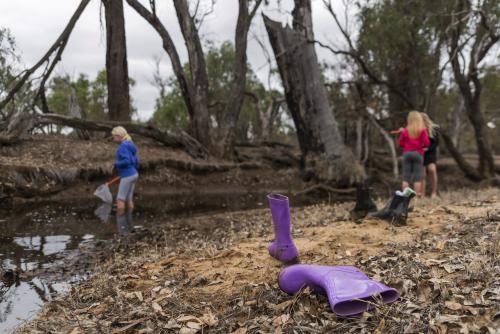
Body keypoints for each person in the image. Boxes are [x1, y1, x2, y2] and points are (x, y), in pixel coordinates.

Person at [398, 111, 430, 197]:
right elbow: (427, 143)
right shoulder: (422, 130)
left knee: (406, 177)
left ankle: (405, 196)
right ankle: (416, 197)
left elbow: (400, 143)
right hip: (418, 154)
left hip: (407, 154)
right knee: (417, 177)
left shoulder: (405, 131)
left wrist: (407, 144)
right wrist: (422, 146)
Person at [111, 126, 139, 214]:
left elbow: (126, 161)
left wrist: (115, 164)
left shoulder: (122, 146)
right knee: (128, 198)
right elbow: (135, 160)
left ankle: (121, 223)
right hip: (134, 174)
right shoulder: (130, 144)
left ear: (119, 136)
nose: (113, 138)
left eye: (114, 136)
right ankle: (129, 222)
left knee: (120, 199)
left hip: (128, 175)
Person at [421, 113, 439, 198]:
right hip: (420, 153)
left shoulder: (434, 129)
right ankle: (422, 194)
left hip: (431, 152)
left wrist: (427, 149)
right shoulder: (417, 129)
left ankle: (434, 192)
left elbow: (436, 143)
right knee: (422, 173)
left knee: (432, 169)